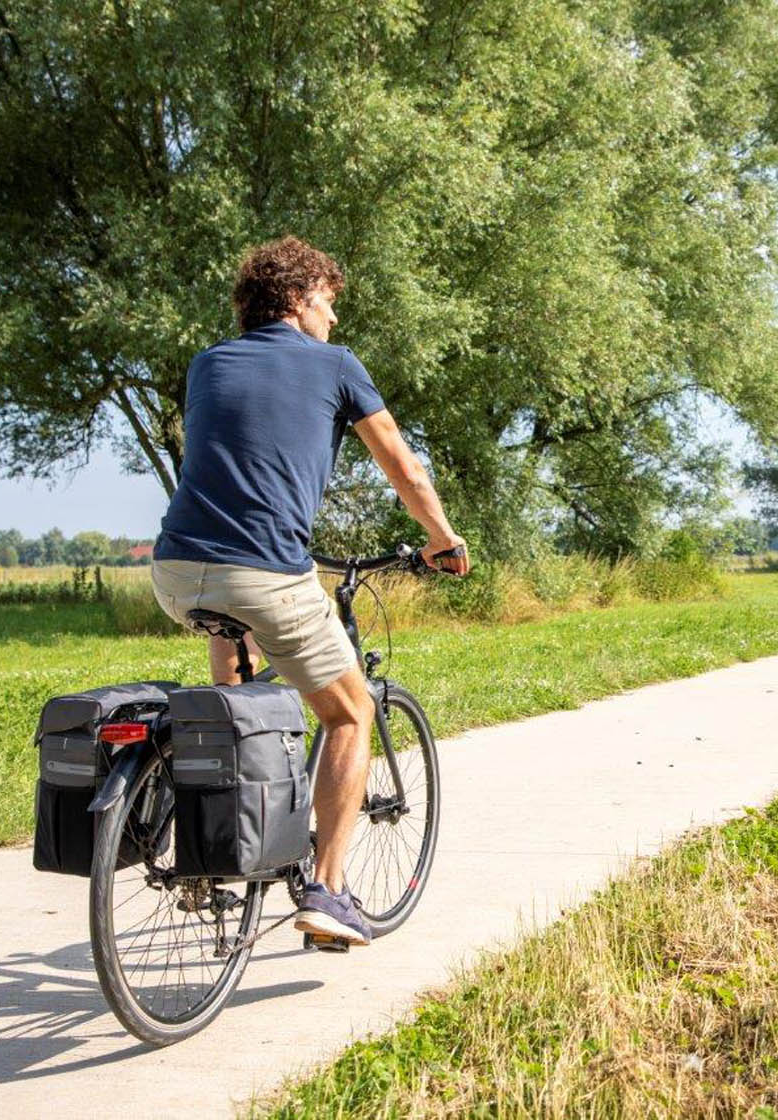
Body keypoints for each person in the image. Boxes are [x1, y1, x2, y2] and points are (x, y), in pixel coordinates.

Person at [151, 236, 469, 947]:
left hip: (175, 568)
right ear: (297, 300)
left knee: (236, 706)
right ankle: (328, 890)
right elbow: (404, 467)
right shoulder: (336, 364)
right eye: (327, 301)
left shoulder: (207, 363)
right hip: (264, 569)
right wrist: (443, 538)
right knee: (351, 712)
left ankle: (216, 854)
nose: (334, 318)